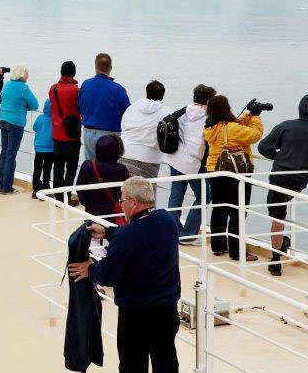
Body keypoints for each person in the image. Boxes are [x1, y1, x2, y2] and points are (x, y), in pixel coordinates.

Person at [68, 177, 181, 373]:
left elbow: (108, 275)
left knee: (132, 364)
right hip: (167, 311)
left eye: (122, 201)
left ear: (134, 203)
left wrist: (89, 269)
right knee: (166, 361)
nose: (121, 205)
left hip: (136, 315)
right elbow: (140, 234)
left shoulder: (127, 237)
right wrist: (109, 232)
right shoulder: (167, 220)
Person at [257, 93, 308, 275]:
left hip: (279, 176)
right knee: (280, 212)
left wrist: (278, 156)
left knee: (276, 217)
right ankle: (282, 244)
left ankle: (276, 259)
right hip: (300, 181)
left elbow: (263, 147)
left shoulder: (287, 126)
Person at [204, 95, 264, 261]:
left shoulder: (211, 127)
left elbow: (235, 124)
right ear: (226, 108)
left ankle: (218, 246)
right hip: (235, 174)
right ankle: (237, 252)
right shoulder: (232, 129)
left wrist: (248, 114)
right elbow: (255, 134)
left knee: (219, 209)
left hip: (214, 172)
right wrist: (256, 117)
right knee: (238, 212)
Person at [164, 84, 216, 246]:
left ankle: (173, 232)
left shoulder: (184, 111)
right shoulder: (207, 118)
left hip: (175, 159)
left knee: (176, 195)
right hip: (193, 164)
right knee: (204, 197)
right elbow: (199, 144)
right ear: (209, 100)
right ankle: (188, 235)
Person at [78, 53, 131, 161]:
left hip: (88, 131)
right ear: (110, 68)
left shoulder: (85, 85)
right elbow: (128, 112)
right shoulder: (118, 89)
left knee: (91, 168)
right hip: (109, 134)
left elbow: (79, 105)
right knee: (109, 168)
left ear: (95, 66)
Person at [0, 64, 39, 194]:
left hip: (3, 119)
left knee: (4, 153)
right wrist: (23, 107)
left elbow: (2, 99)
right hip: (15, 123)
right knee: (11, 155)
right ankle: (6, 188)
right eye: (26, 74)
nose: (27, 76)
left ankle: (1, 185)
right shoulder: (23, 88)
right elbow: (35, 104)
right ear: (22, 75)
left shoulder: (7, 85)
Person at [119, 80, 172, 178]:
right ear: (162, 95)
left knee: (125, 190)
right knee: (147, 190)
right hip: (149, 158)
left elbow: (123, 127)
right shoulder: (166, 112)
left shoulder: (132, 108)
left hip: (126, 153)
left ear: (146, 92)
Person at [75, 134, 130, 221]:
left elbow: (80, 189)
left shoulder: (87, 165)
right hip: (114, 214)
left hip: (91, 212)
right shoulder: (121, 170)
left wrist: (88, 204)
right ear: (117, 150)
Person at [49, 61, 81, 202]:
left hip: (57, 135)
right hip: (72, 135)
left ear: (61, 72)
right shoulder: (76, 91)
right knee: (71, 168)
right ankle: (67, 196)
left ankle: (58, 196)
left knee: (58, 168)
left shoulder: (53, 89)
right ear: (73, 73)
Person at [31, 97, 54, 199]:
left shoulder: (40, 118)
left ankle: (36, 189)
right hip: (50, 149)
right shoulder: (54, 120)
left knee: (37, 168)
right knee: (47, 169)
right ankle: (46, 188)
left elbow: (34, 127)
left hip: (39, 148)